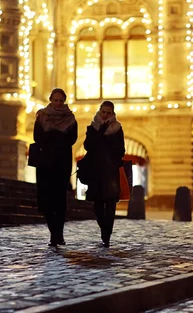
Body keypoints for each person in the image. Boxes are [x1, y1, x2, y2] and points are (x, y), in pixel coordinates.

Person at [34, 88, 78, 246]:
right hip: (45, 163)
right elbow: (37, 137)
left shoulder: (70, 118)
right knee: (46, 200)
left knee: (59, 200)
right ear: (51, 100)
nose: (58, 103)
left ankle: (58, 234)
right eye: (56, 100)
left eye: (61, 100)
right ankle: (54, 231)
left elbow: (71, 139)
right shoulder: (41, 116)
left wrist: (52, 136)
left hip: (61, 163)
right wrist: (57, 136)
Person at [83, 100, 125, 247]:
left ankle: (107, 234)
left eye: (109, 112)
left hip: (111, 170)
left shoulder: (117, 128)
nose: (106, 115)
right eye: (104, 112)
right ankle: (103, 229)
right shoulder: (92, 127)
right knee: (98, 205)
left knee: (111, 203)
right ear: (100, 111)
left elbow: (121, 150)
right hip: (96, 171)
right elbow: (87, 145)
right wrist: (100, 133)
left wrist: (108, 143)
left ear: (113, 114)